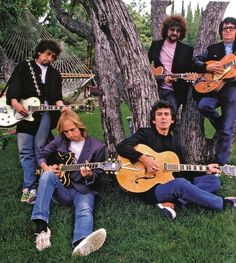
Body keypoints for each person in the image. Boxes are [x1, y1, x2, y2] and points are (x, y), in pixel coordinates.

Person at [116, 100, 236, 220]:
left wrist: (205, 170)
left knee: (213, 181)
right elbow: (121, 147)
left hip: (169, 183)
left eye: (166, 114)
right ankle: (222, 203)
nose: (163, 117)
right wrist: (143, 158)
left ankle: (174, 203)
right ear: (154, 120)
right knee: (180, 184)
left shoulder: (175, 143)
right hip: (149, 188)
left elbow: (184, 170)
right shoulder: (145, 134)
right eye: (159, 114)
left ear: (172, 120)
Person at [31, 111, 107, 255]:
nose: (70, 134)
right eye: (66, 132)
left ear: (80, 126)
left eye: (72, 130)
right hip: (63, 189)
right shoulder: (61, 140)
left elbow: (98, 175)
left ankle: (81, 242)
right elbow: (41, 155)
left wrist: (89, 174)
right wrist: (47, 168)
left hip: (84, 190)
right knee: (46, 176)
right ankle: (41, 226)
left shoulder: (97, 147)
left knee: (84, 209)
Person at [6, 39, 67, 204]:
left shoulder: (55, 74)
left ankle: (42, 184)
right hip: (24, 114)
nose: (50, 59)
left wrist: (62, 107)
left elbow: (58, 98)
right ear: (40, 51)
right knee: (25, 151)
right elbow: (14, 87)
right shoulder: (24, 66)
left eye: (53, 56)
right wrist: (15, 103)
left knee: (39, 149)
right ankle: (29, 189)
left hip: (45, 114)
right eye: (48, 54)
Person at [192, 17, 236, 165]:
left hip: (232, 90)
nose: (228, 30)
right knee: (203, 105)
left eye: (232, 27)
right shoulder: (213, 49)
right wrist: (207, 67)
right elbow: (196, 61)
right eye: (225, 28)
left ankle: (219, 164)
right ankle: (223, 125)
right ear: (221, 31)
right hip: (213, 89)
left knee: (226, 131)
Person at [148, 15, 193, 114]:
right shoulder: (156, 45)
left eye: (178, 31)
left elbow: (190, 70)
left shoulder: (187, 50)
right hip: (155, 88)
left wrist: (188, 77)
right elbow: (145, 64)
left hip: (174, 93)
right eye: (172, 29)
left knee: (169, 118)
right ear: (166, 30)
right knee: (151, 117)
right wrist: (156, 75)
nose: (175, 33)